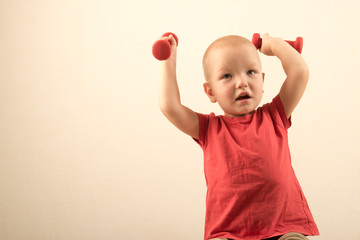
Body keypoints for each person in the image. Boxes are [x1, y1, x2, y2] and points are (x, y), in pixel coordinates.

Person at [158, 33, 319, 240]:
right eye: (227, 76)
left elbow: (300, 72)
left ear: (262, 81)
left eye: (250, 72)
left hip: (282, 227)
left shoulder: (275, 115)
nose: (242, 82)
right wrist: (168, 59)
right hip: (229, 232)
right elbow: (169, 106)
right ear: (210, 92)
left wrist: (273, 44)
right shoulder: (208, 129)